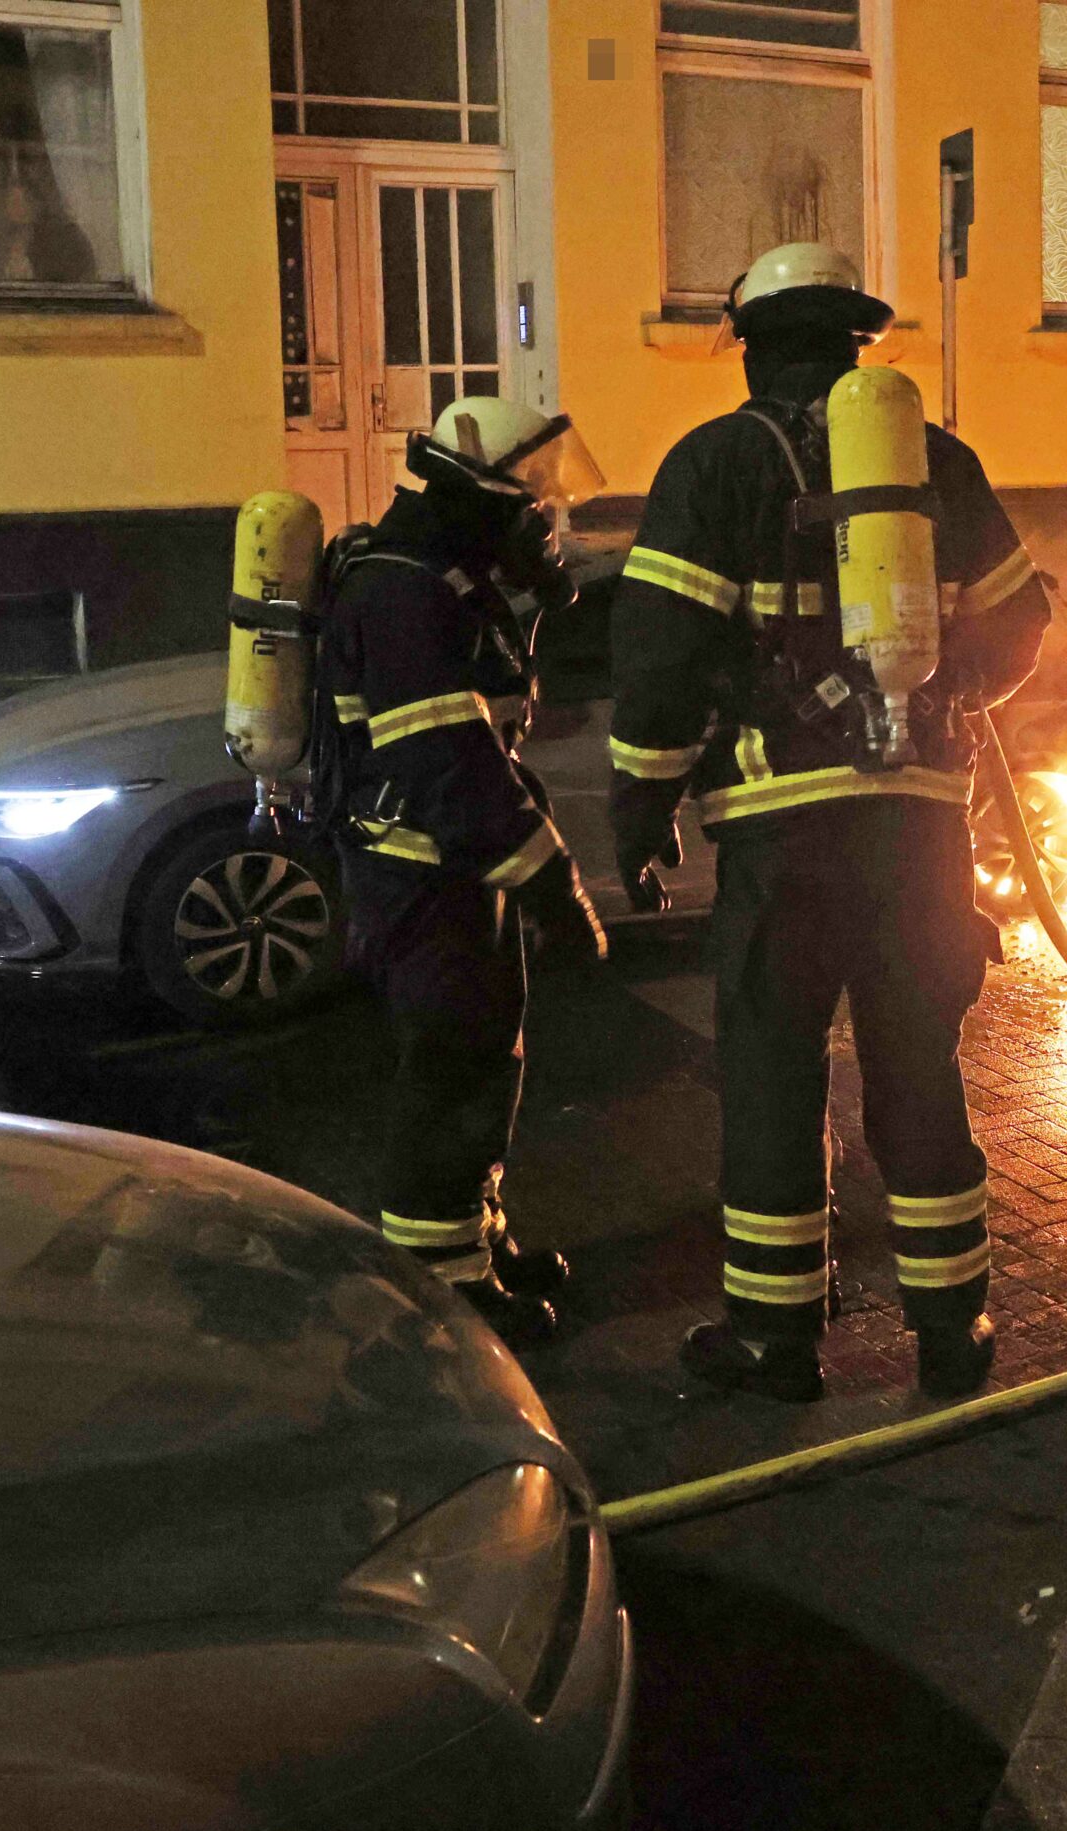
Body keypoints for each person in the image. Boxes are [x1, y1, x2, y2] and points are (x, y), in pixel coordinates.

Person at [609, 242, 1051, 1404]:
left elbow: (659, 657)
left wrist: (640, 805)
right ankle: (956, 1326)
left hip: (778, 839)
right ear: (858, 343)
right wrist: (943, 699)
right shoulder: (939, 465)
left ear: (750, 348)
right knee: (919, 1067)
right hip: (917, 839)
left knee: (770, 1079)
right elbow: (1022, 625)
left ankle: (773, 1342)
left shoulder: (711, 469)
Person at [315, 396, 613, 1345]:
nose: (543, 521)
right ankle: (442, 1294)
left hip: (454, 874)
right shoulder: (401, 595)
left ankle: (473, 1238)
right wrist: (551, 882)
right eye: (529, 505)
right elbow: (450, 761)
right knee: (449, 1072)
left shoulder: (436, 580)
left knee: (487, 1060)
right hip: (424, 878)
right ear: (476, 498)